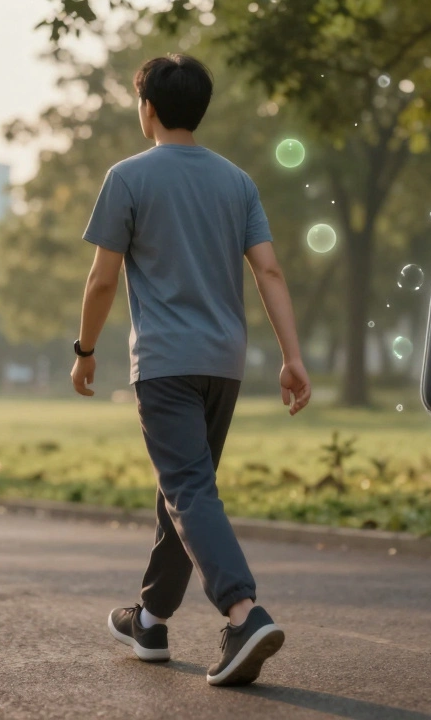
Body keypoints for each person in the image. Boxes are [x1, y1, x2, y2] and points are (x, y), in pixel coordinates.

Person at [70, 54, 311, 687]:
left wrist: (85, 350)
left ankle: (243, 612)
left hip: (164, 362)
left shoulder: (127, 177)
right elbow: (269, 270)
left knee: (189, 489)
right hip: (224, 365)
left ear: (147, 107)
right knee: (184, 488)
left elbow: (101, 280)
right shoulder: (237, 181)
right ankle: (150, 620)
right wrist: (292, 357)